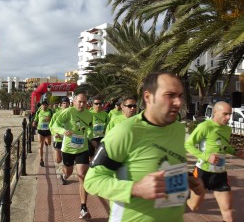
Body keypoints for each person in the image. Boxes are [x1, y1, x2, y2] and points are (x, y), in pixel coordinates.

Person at [84, 72, 204, 222]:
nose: (178, 102)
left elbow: (164, 165)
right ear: (148, 97)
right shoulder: (125, 131)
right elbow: (92, 181)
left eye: (180, 96)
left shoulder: (178, 130)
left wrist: (187, 179)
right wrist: (135, 189)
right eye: (169, 95)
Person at [185, 101, 244, 222]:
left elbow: (224, 147)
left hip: (220, 174)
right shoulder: (205, 127)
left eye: (230, 114)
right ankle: (185, 193)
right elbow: (188, 144)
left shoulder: (227, 129)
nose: (228, 117)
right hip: (203, 172)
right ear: (215, 113)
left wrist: (235, 152)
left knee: (228, 210)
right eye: (225, 114)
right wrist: (206, 157)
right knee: (194, 206)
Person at [51, 92, 93, 219]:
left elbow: (90, 128)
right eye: (79, 101)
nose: (82, 104)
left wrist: (90, 136)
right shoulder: (68, 112)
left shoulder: (89, 115)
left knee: (82, 175)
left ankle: (83, 208)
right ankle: (64, 176)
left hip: (82, 148)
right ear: (74, 102)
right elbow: (55, 125)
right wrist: (64, 131)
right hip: (68, 148)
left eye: (84, 102)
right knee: (68, 171)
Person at [49, 97, 70, 163]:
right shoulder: (56, 115)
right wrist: (54, 133)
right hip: (58, 138)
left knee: (66, 159)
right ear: (61, 105)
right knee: (58, 160)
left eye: (67, 103)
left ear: (69, 105)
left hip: (68, 139)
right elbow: (51, 126)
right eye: (64, 103)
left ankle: (65, 172)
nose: (65, 105)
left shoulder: (72, 114)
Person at [32, 100, 53, 167]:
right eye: (43, 105)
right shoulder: (39, 111)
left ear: (47, 105)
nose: (44, 106)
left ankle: (46, 142)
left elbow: (54, 119)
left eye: (45, 105)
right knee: (40, 146)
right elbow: (36, 118)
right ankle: (41, 159)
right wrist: (34, 122)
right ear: (41, 105)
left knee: (49, 143)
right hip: (40, 130)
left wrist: (49, 119)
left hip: (48, 130)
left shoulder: (50, 111)